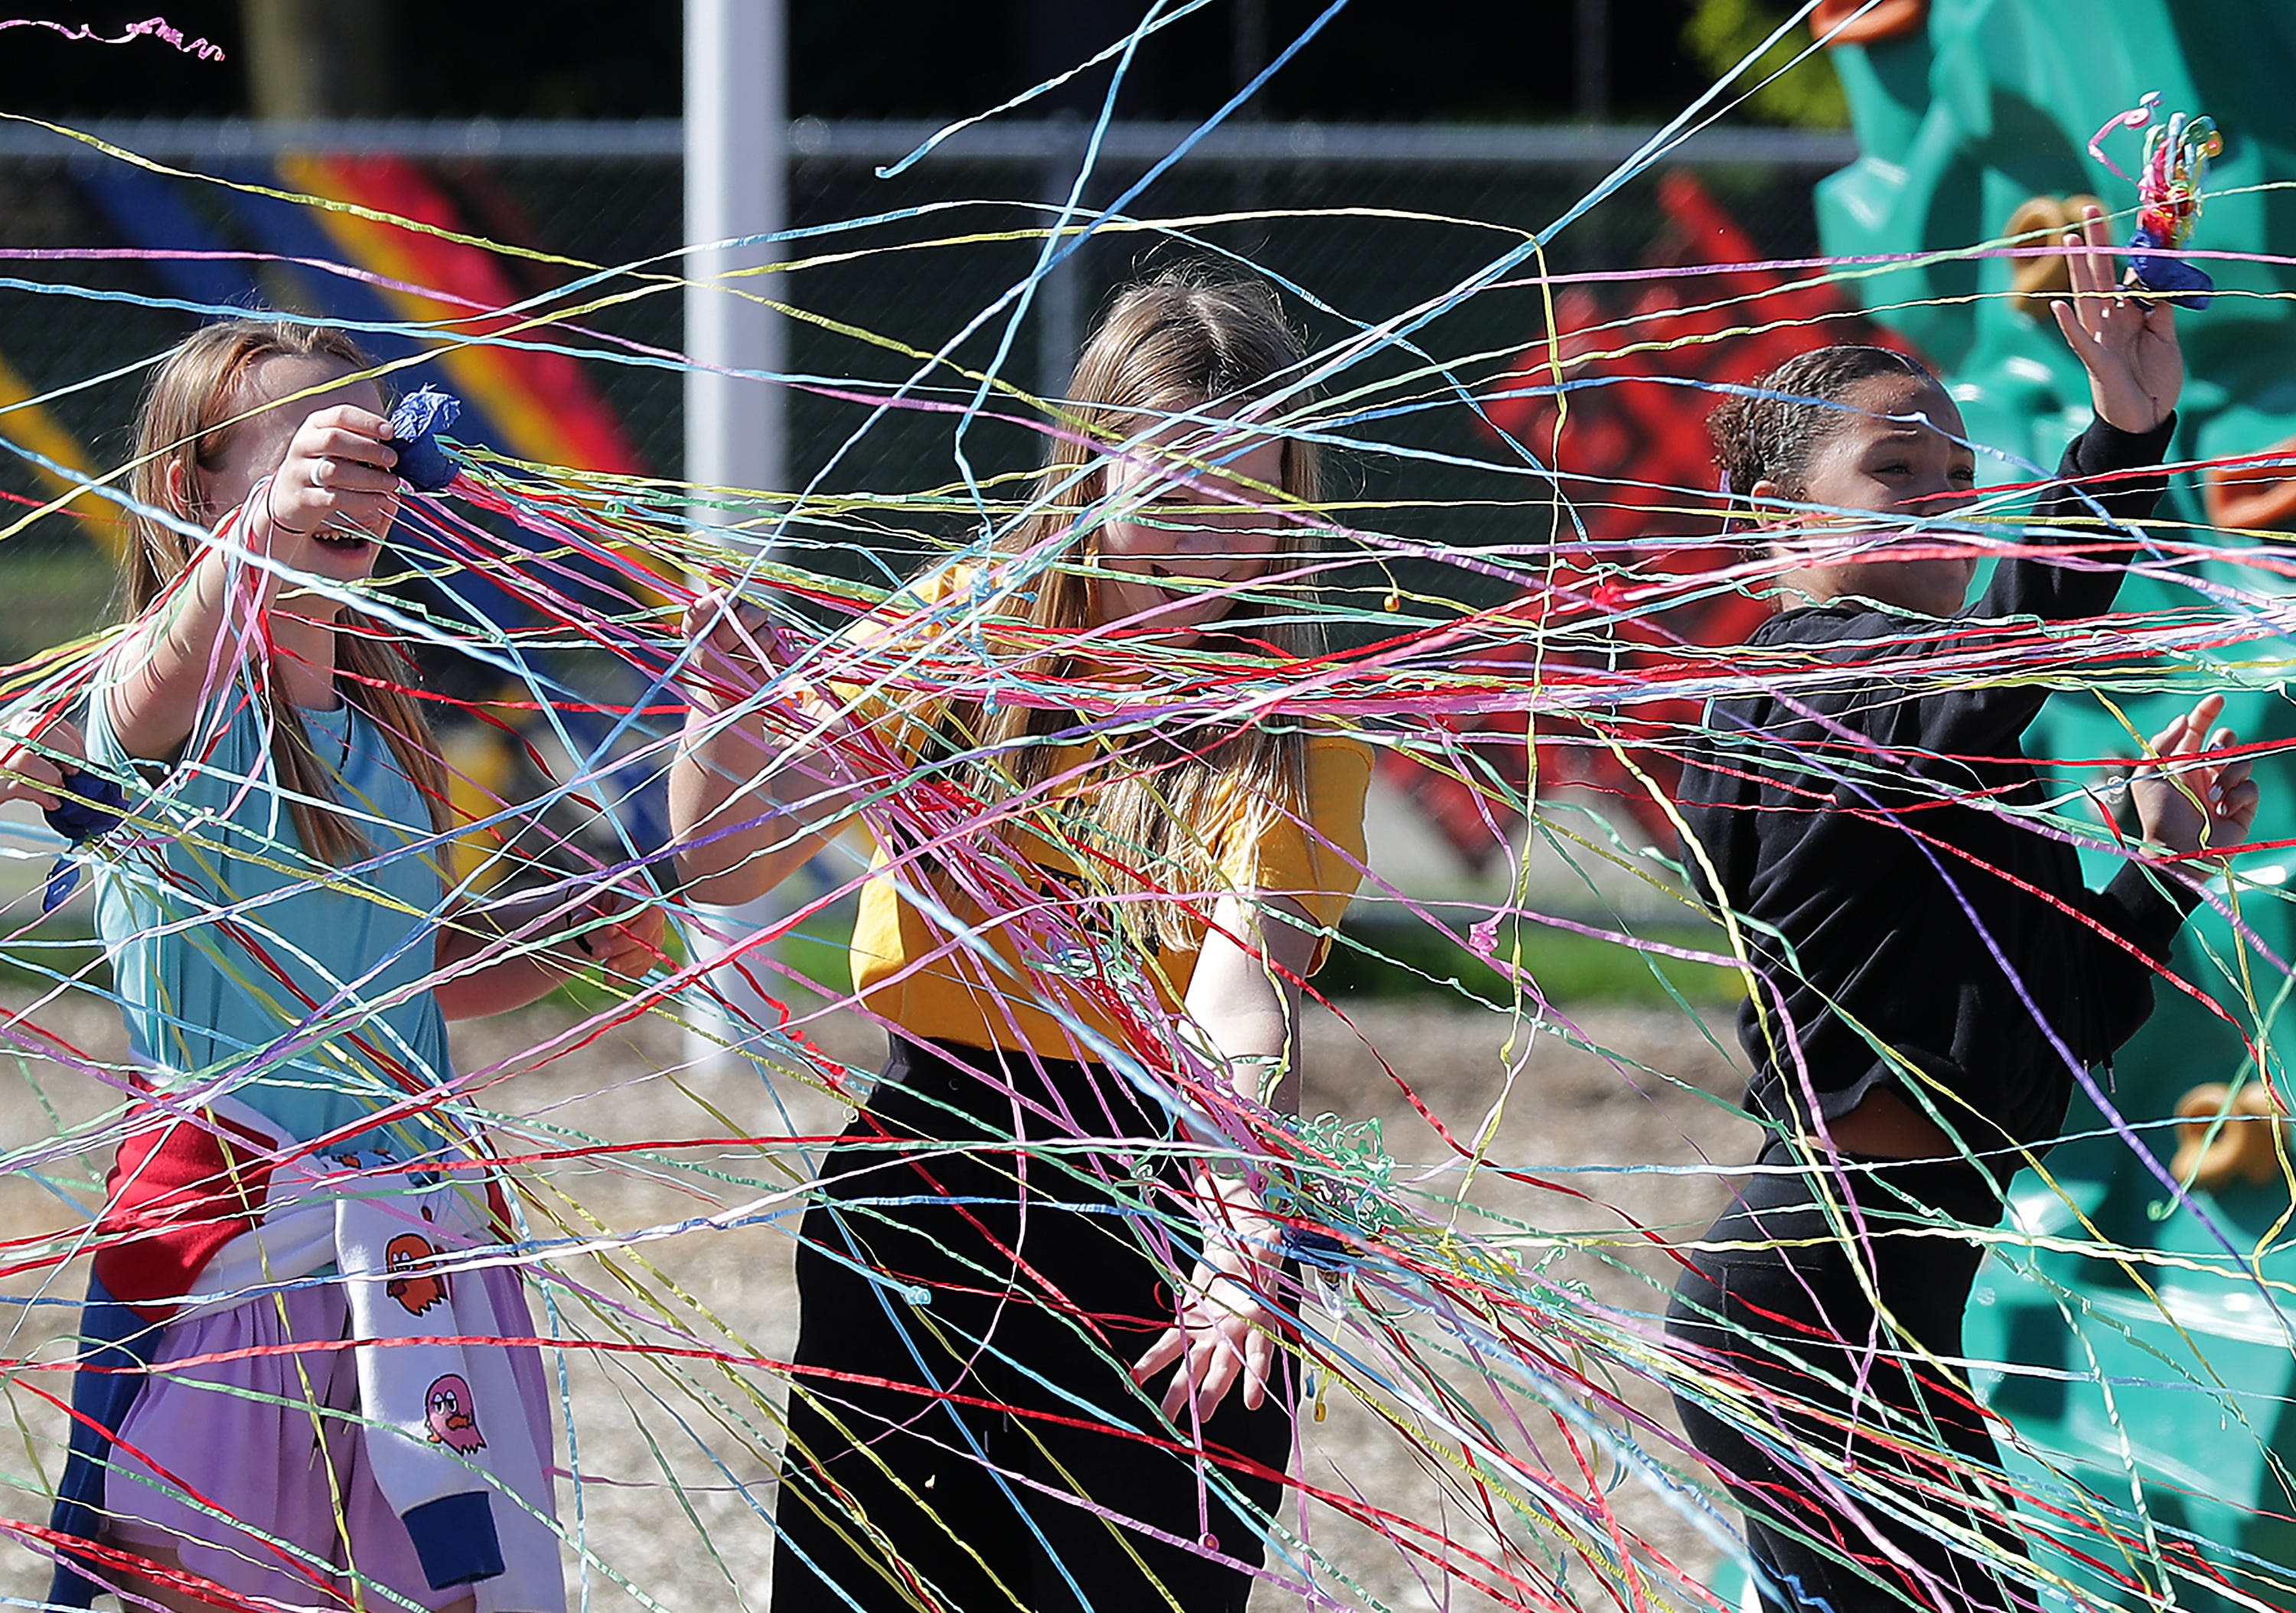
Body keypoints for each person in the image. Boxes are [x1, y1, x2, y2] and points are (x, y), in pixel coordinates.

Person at [671, 266, 1373, 1613]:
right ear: (1092, 469)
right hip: (924, 1190)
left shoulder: (1300, 733)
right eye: (1172, 503)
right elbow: (729, 856)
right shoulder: (967, 630)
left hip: (1168, 1212)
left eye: (1249, 513)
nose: (1205, 552)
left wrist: (1239, 1245)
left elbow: (1236, 1006)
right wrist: (724, 715)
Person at [1665, 208, 2259, 1612]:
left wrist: (2159, 867)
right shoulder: (1797, 694)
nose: (1940, 496)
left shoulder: (1948, 754)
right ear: (1774, 524)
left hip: (1883, 1329)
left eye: (1955, 473)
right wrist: (2121, 436)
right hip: (1802, 1322)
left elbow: (2065, 1019)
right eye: (1895, 471)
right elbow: (2020, 637)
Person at [39, 319, 660, 1612]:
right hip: (237, 1256)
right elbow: (146, 690)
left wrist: (578, 935)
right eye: (296, 447)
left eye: (365, 444)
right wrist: (258, 532)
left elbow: (411, 975)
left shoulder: (386, 725)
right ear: (193, 487)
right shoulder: (163, 701)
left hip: (421, 1246)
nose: (347, 478)